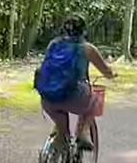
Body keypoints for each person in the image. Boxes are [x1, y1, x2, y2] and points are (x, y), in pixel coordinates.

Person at [34, 14, 115, 151]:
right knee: (94, 101)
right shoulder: (87, 49)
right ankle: (82, 134)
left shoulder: (53, 44)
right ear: (83, 30)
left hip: (48, 98)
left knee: (62, 130)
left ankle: (53, 161)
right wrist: (112, 74)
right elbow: (106, 71)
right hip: (74, 97)